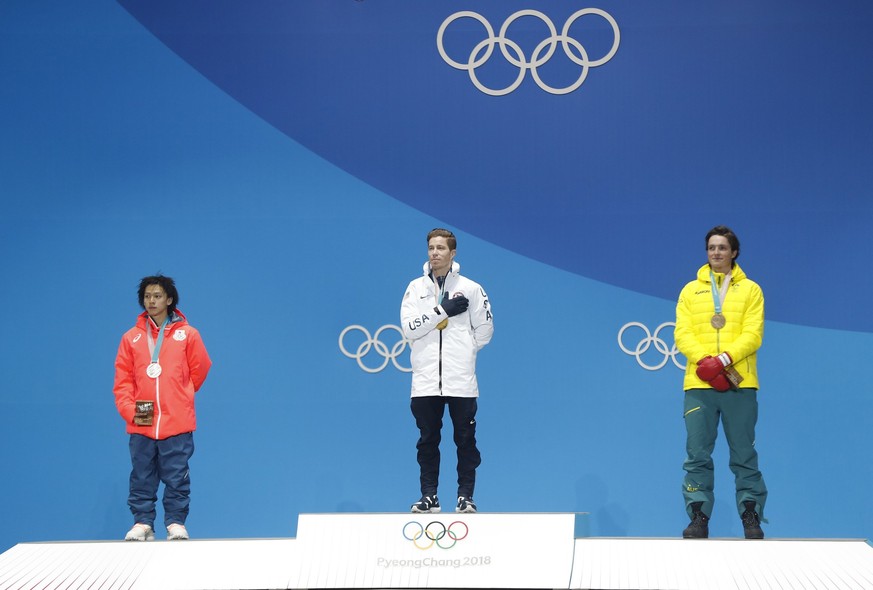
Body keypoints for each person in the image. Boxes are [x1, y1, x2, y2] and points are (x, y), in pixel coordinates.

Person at [675, 225, 768, 539]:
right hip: (699, 385)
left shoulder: (750, 290)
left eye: (722, 248)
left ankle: (751, 515)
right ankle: (698, 516)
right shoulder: (690, 291)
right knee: (697, 454)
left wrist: (723, 361)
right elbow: (682, 333)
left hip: (739, 383)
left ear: (734, 252)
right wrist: (705, 362)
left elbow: (752, 335)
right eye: (711, 247)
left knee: (744, 453)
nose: (716, 252)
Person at [401, 228, 494, 514]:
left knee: (465, 441)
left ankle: (466, 496)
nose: (434, 253)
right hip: (426, 381)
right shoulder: (415, 288)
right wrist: (442, 311)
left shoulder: (472, 288)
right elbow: (409, 329)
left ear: (453, 253)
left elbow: (485, 330)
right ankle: (429, 495)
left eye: (441, 248)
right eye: (431, 248)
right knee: (427, 441)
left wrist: (464, 352)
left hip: (460, 381)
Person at [113, 275, 212, 541]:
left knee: (176, 474)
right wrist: (130, 410)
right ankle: (143, 522)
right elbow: (123, 380)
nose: (152, 301)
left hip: (175, 414)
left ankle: (175, 522)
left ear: (169, 300)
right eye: (147, 296)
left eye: (157, 296)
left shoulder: (187, 334)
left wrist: (181, 395)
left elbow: (200, 369)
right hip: (142, 410)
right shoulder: (131, 338)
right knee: (142, 472)